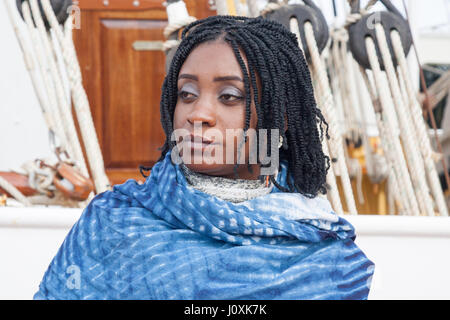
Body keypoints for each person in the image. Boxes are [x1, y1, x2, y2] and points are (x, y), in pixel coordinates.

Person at [34, 15, 374, 300]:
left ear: (279, 115)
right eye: (187, 94)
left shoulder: (326, 255)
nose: (198, 113)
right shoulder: (112, 223)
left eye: (229, 96)